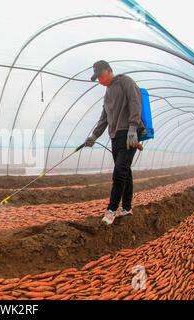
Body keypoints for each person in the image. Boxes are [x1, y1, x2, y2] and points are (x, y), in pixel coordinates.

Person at [84, 60, 145, 225]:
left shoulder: (125, 82)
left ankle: (111, 210)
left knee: (119, 172)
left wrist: (133, 128)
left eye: (101, 76)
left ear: (109, 71)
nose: (100, 81)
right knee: (125, 172)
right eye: (97, 78)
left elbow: (135, 103)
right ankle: (126, 208)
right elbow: (104, 118)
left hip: (129, 133)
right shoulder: (107, 93)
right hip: (116, 136)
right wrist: (94, 136)